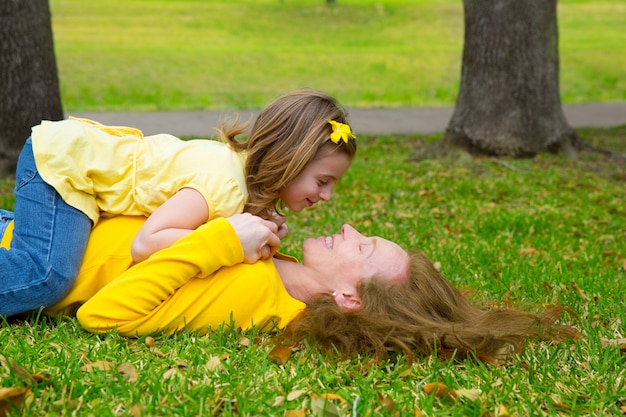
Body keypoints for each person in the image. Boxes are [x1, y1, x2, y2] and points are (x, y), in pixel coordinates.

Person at [1, 214, 573, 363]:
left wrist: (221, 239)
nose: (349, 229)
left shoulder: (259, 301)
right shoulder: (275, 261)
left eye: (364, 247)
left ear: (349, 297)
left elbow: (103, 316)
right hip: (40, 224)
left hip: (15, 255)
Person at [0, 89, 357, 317]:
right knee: (47, 274)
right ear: (289, 161)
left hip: (77, 163)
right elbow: (145, 244)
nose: (326, 196)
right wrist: (227, 238)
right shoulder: (225, 185)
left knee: (39, 235)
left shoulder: (240, 186)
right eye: (322, 181)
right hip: (67, 165)